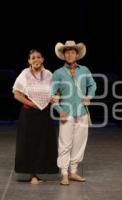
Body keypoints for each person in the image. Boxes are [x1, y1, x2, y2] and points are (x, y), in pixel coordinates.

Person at [51, 41, 97, 185]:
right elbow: (52, 94)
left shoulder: (84, 70)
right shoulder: (58, 73)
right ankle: (64, 173)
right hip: (67, 112)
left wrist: (89, 96)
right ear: (63, 55)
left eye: (72, 52)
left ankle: (73, 171)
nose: (69, 54)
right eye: (67, 52)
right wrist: (59, 110)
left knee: (79, 142)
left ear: (77, 54)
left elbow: (93, 84)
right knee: (65, 143)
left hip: (82, 111)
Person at [13, 49, 59, 185]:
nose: (36, 60)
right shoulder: (24, 74)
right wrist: (32, 104)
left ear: (43, 59)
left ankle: (41, 172)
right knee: (29, 143)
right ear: (29, 61)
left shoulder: (49, 74)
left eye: (38, 57)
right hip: (29, 114)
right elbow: (17, 94)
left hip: (45, 114)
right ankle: (32, 174)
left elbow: (54, 93)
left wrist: (53, 99)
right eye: (33, 58)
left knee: (44, 143)